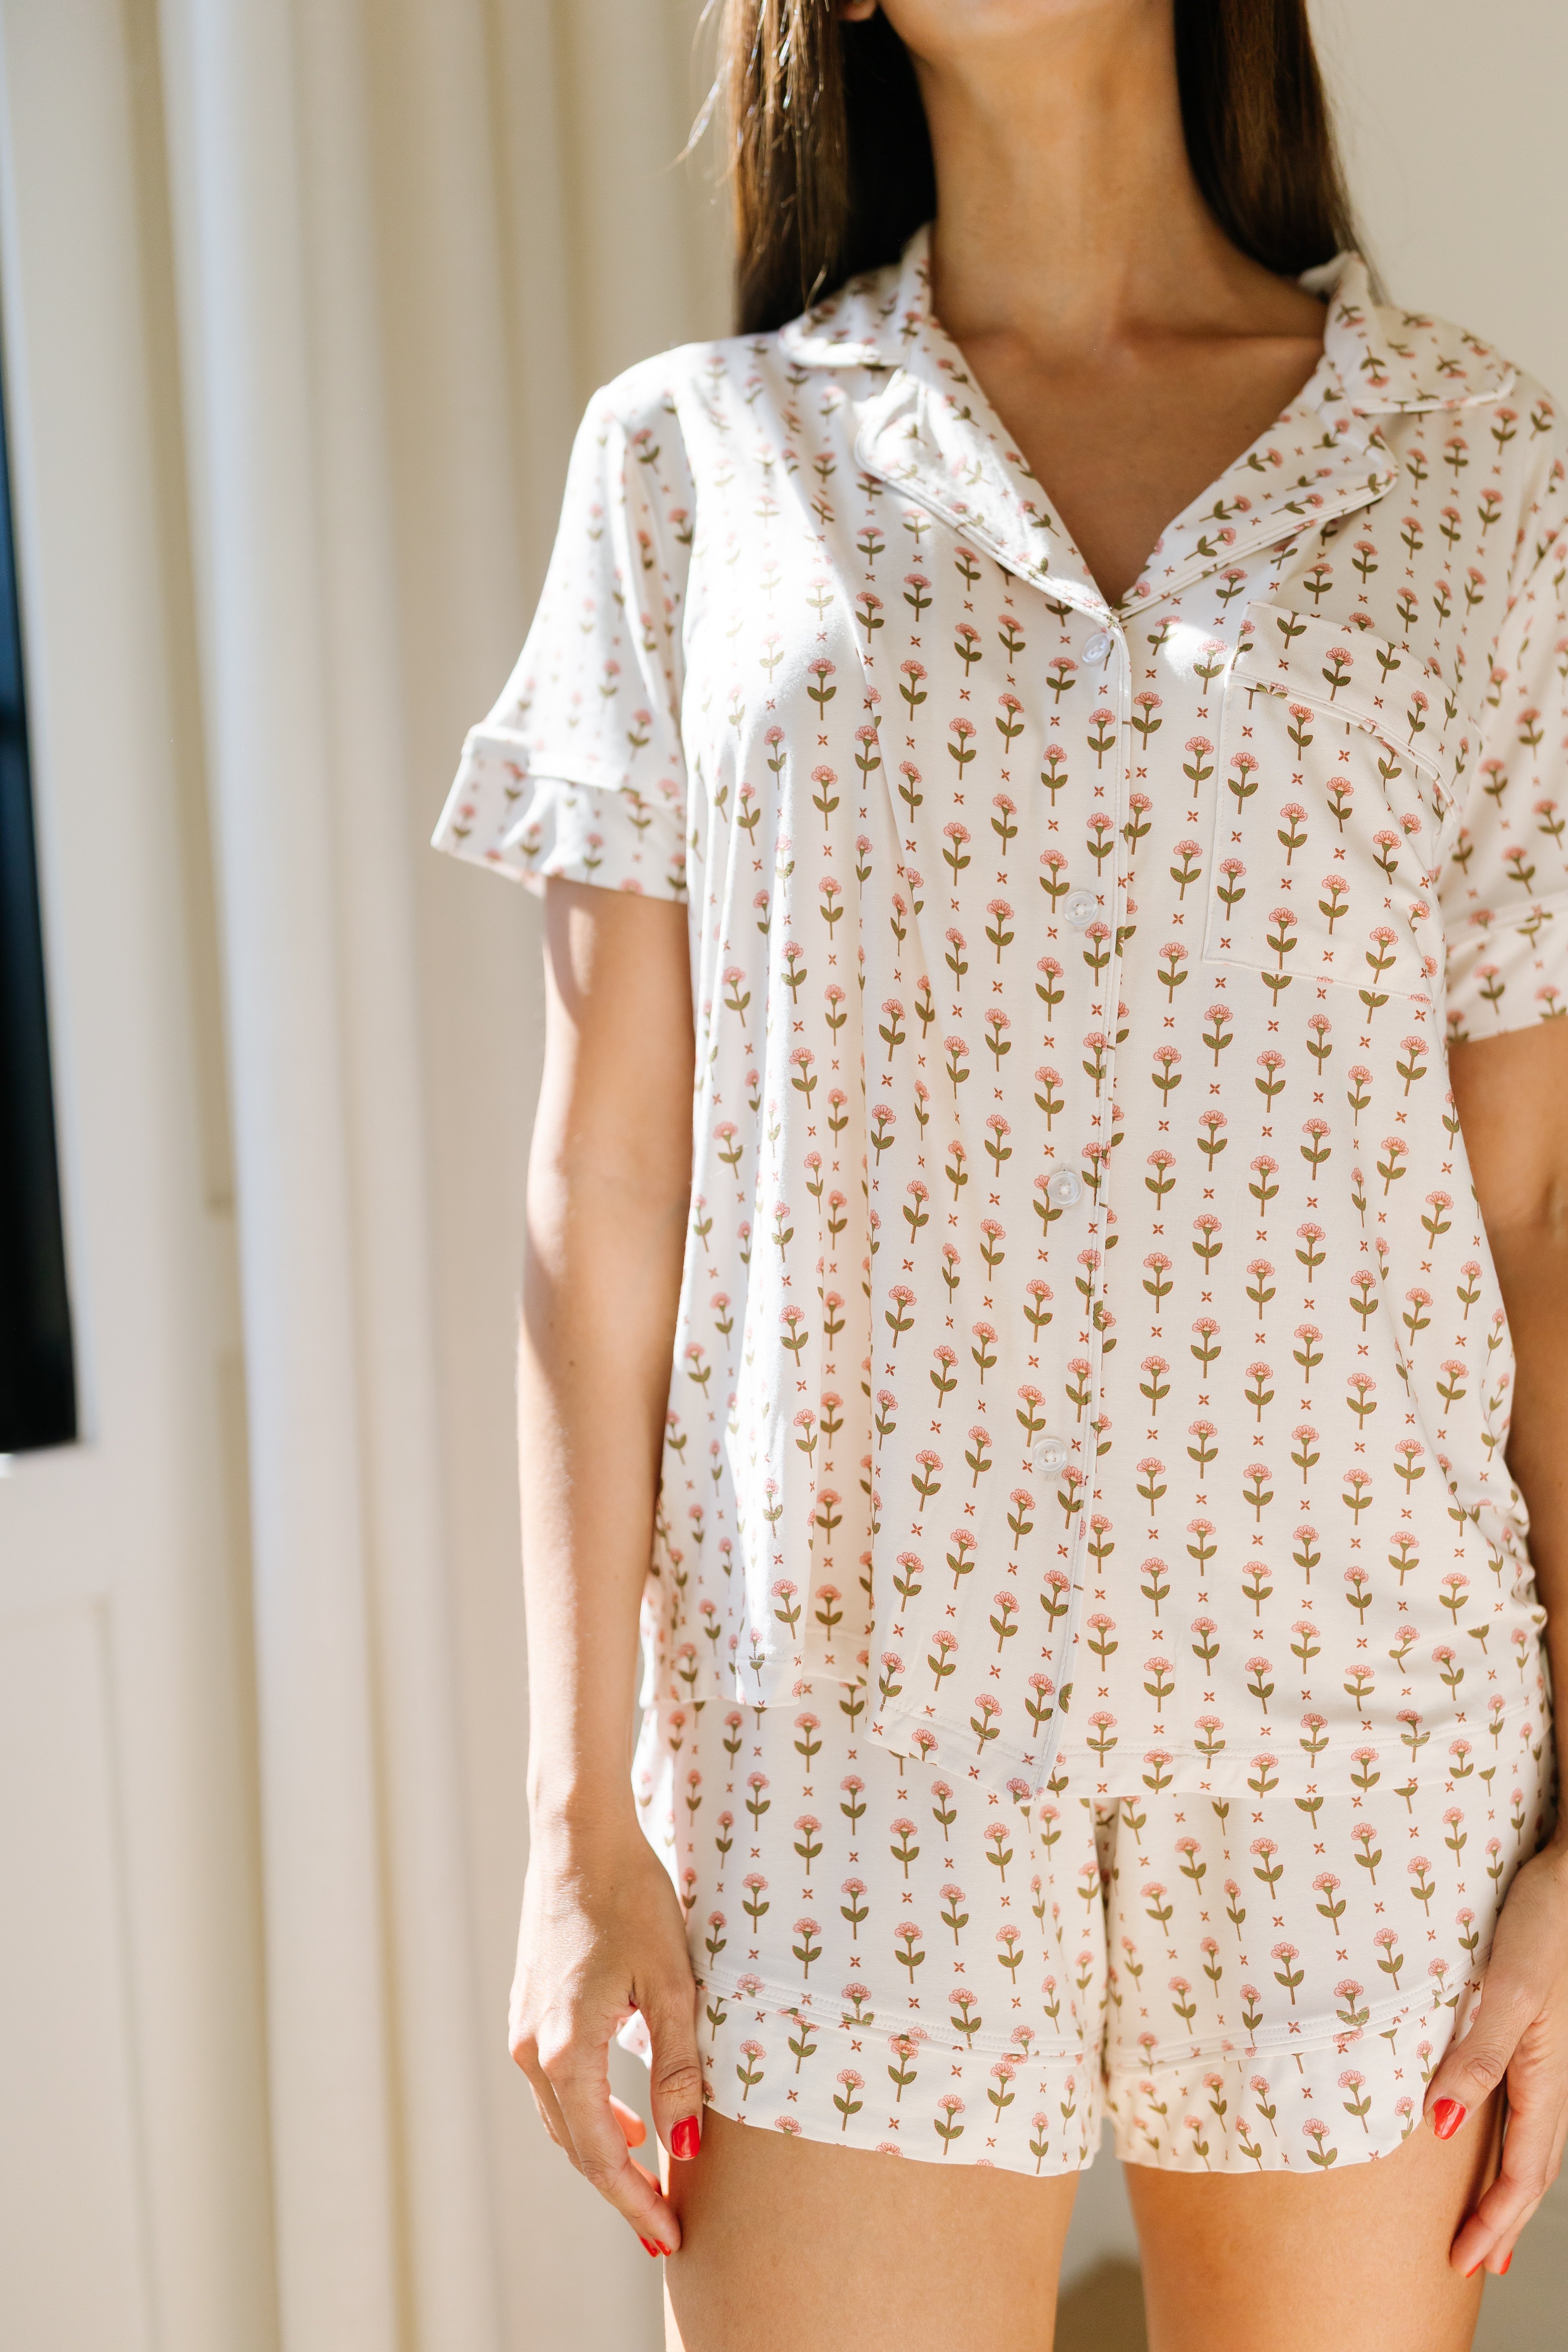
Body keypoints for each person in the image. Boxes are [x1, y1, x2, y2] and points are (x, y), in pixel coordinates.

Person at [432, 4, 1568, 2345]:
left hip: (1370, 1745)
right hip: (834, 1746)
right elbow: (599, 1188)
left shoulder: (1480, 474)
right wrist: (574, 1823)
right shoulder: (693, 473)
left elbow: (1541, 1209)